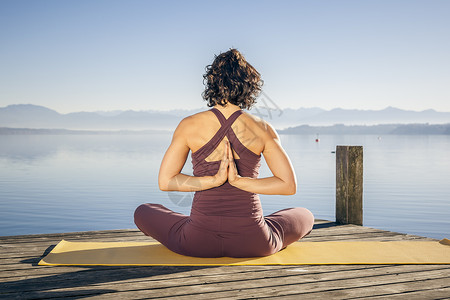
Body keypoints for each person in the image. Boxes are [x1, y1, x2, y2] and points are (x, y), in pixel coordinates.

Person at [134, 49, 314, 258]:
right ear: (249, 86)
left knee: (144, 210)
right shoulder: (263, 129)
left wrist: (213, 180)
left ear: (212, 83)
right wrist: (239, 181)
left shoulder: (189, 125)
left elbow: (166, 182)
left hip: (197, 241)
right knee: (305, 215)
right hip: (254, 242)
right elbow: (288, 185)